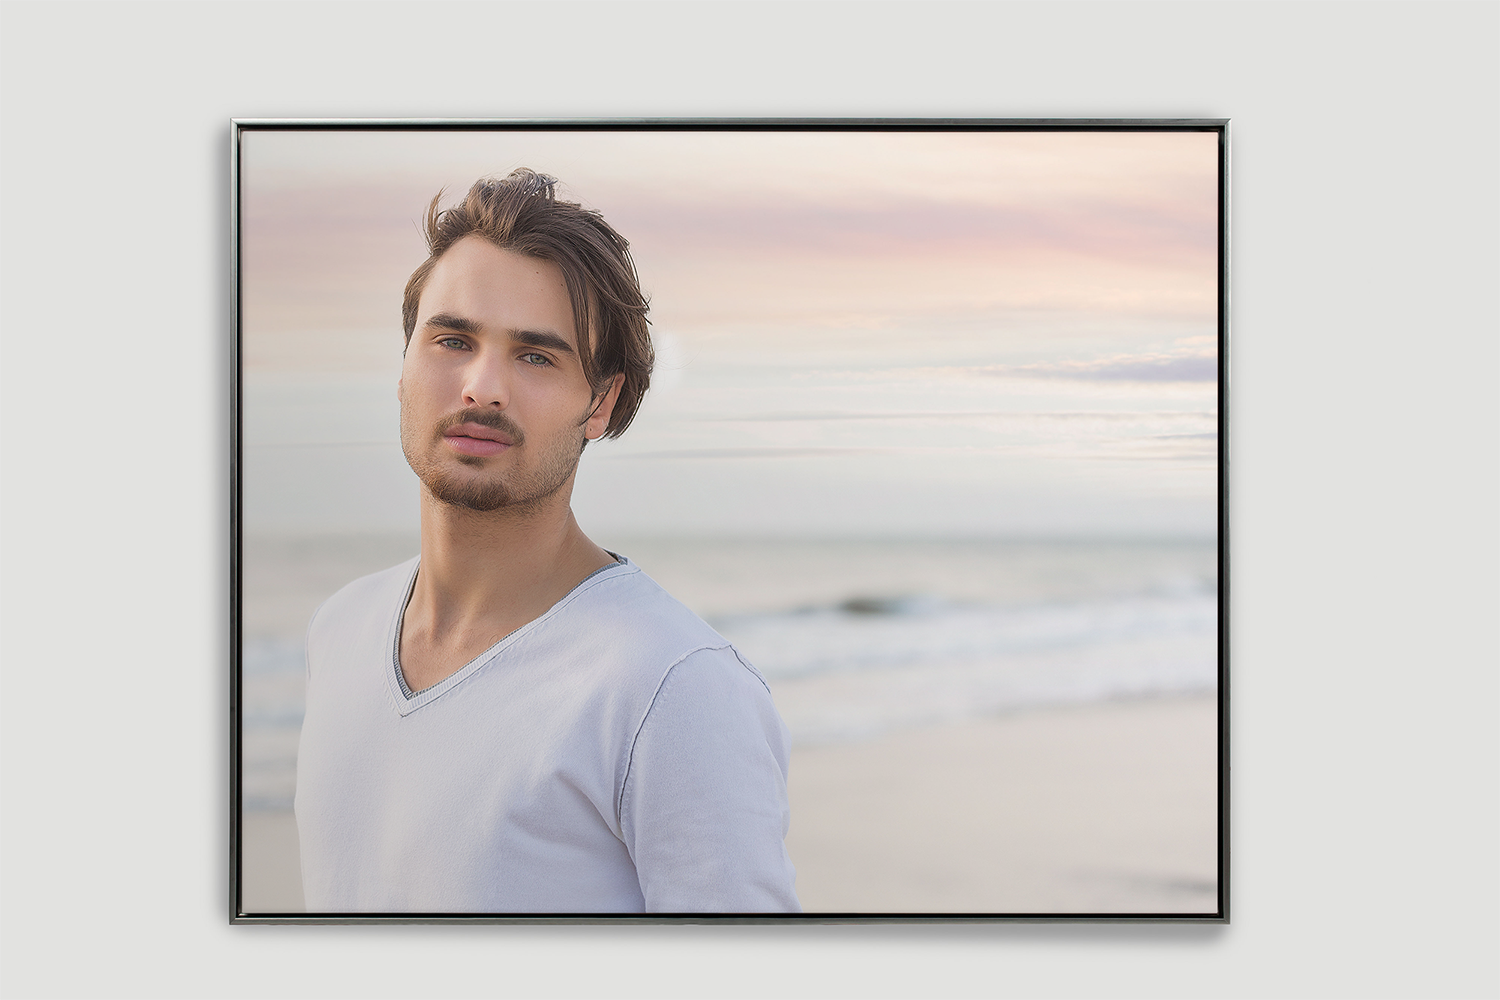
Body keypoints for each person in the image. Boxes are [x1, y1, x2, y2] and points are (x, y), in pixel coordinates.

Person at [293, 169, 799, 914]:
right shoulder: (341, 628)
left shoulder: (673, 687)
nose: (481, 386)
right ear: (404, 365)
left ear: (601, 402)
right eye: (452, 340)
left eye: (536, 356)